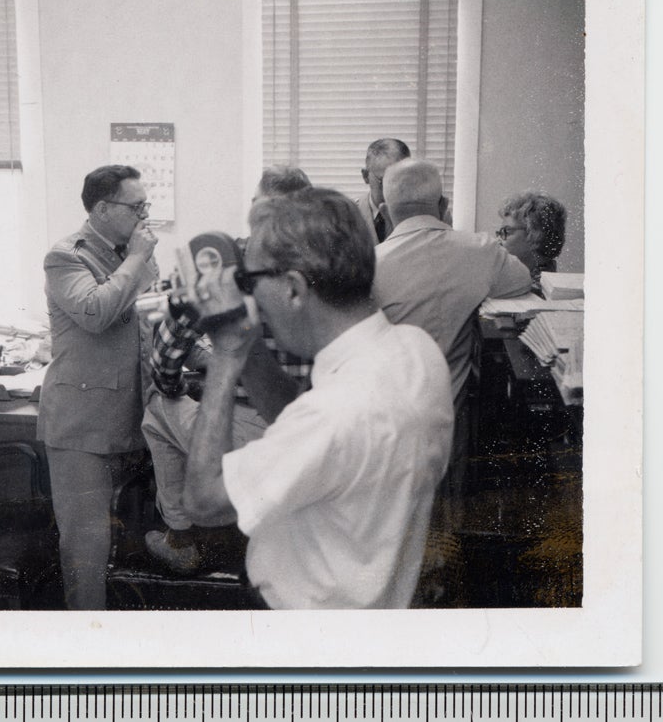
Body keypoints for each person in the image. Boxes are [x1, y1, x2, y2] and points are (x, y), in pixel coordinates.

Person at [182, 188, 453, 609]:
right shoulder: (416, 350)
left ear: (292, 288)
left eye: (251, 281)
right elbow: (299, 425)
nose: (250, 296)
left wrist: (226, 353)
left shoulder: (333, 415)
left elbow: (203, 501)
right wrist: (250, 344)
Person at [141, 166, 312, 573]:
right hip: (304, 429)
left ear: (254, 208)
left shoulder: (222, 266)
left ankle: (180, 534)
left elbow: (164, 361)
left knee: (156, 406)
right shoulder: (324, 268)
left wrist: (175, 383)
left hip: (250, 434)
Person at [372, 160, 532, 534]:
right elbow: (522, 281)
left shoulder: (368, 266)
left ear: (384, 211)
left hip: (382, 427)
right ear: (443, 205)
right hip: (448, 423)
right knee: (443, 529)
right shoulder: (480, 251)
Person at [37, 164, 160, 610]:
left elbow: (150, 322)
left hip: (132, 416)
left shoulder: (132, 250)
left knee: (128, 542)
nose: (145, 214)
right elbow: (95, 312)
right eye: (137, 206)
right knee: (86, 551)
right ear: (104, 209)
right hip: (82, 425)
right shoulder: (66, 255)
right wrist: (136, 260)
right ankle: (86, 656)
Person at [496, 191, 567, 291]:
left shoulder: (544, 289)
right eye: (499, 233)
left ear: (536, 234)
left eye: (507, 231)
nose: (497, 240)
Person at [357, 138, 411, 242]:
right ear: (366, 176)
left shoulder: (421, 218)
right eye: (385, 181)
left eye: (402, 180)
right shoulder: (346, 217)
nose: (395, 189)